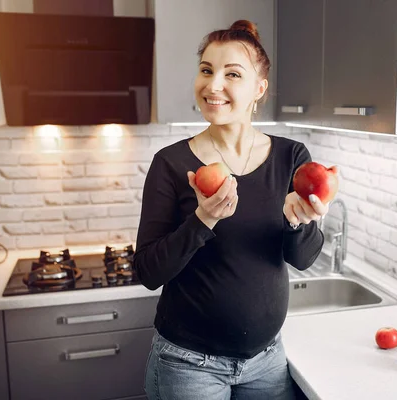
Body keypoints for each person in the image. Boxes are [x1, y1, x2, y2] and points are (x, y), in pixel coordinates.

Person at [134, 19, 329, 400]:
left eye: (232, 74)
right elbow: (148, 271)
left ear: (259, 89)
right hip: (188, 366)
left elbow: (303, 258)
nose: (213, 84)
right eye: (206, 70)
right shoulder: (172, 163)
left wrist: (296, 222)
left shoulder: (292, 157)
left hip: (267, 362)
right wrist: (203, 219)